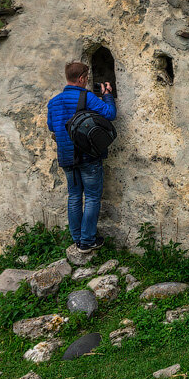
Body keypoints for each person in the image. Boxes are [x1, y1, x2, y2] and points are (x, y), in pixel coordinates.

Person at [46, 61, 116, 251]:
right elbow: (110, 114)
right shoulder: (88, 97)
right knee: (92, 197)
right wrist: (107, 95)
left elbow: (53, 127)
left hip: (66, 157)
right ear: (82, 78)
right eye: (86, 78)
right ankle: (87, 240)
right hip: (88, 156)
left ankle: (77, 239)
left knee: (74, 196)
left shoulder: (53, 103)